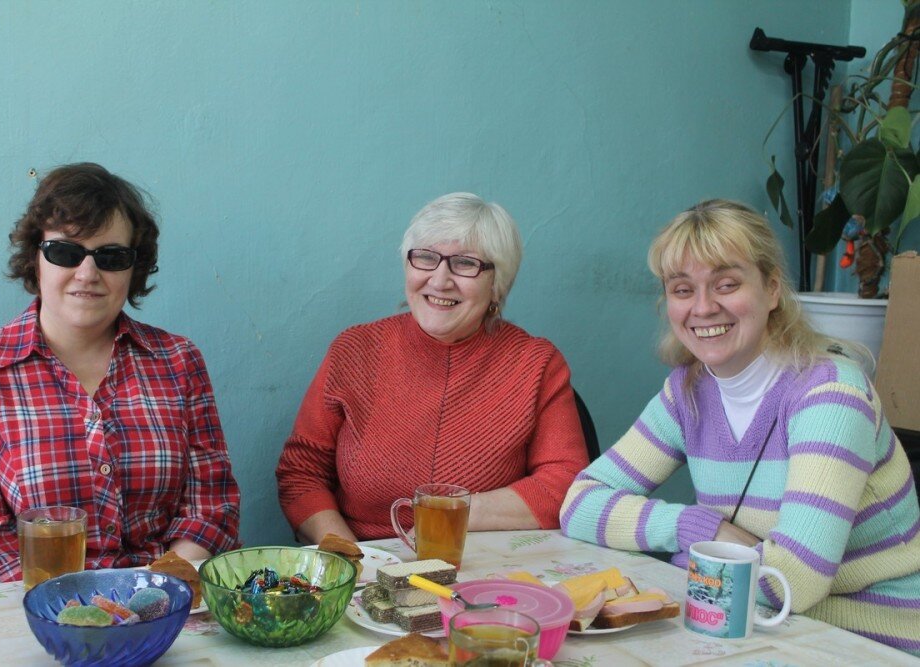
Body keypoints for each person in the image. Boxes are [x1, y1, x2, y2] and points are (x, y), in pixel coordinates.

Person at [560, 199, 920, 655]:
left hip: (868, 640)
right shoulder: (688, 392)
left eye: (727, 284)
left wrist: (693, 554)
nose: (704, 307)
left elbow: (795, 581)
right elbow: (580, 504)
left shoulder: (830, 394)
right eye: (683, 289)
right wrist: (700, 529)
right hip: (754, 623)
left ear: (772, 289)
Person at [0, 163, 240, 587]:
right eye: (66, 252)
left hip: (160, 598)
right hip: (26, 604)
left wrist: (150, 593)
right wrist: (86, 607)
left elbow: (212, 508)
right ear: (35, 258)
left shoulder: (178, 360)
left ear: (134, 268)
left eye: (111, 257)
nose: (87, 273)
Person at [276, 192, 590, 545]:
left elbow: (565, 483)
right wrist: (351, 558)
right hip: (363, 557)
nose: (440, 280)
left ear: (497, 284)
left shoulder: (536, 363)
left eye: (466, 264)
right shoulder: (355, 349)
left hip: (482, 562)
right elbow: (302, 473)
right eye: (425, 258)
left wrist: (456, 512)